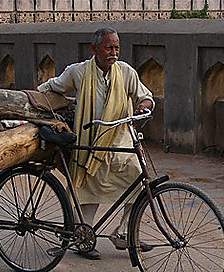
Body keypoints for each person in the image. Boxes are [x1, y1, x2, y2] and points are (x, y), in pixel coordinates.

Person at [37, 27, 154, 260]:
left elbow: (145, 95)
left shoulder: (126, 72)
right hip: (89, 142)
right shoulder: (78, 72)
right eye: (109, 47)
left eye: (117, 48)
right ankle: (83, 238)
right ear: (94, 49)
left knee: (137, 180)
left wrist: (144, 106)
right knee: (88, 188)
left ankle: (124, 233)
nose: (114, 52)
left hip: (120, 140)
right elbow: (51, 88)